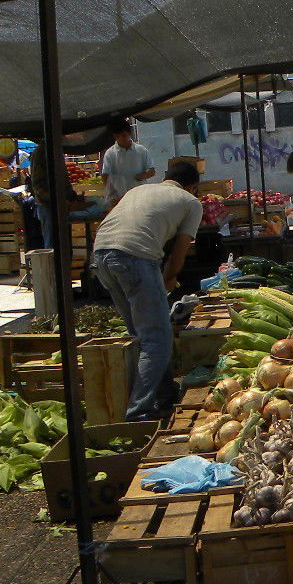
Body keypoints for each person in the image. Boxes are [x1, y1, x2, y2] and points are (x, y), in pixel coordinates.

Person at [91, 159, 204, 420]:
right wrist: (168, 280)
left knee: (145, 336)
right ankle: (138, 411)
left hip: (101, 256)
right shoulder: (190, 202)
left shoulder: (138, 190)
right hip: (135, 258)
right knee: (158, 339)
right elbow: (178, 254)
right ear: (193, 186)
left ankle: (165, 395)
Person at [99, 120, 155, 208]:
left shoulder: (141, 150)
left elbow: (152, 171)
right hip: (120, 199)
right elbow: (105, 175)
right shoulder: (110, 153)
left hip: (140, 196)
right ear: (114, 136)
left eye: (124, 135)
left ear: (130, 133)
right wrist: (111, 192)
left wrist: (143, 175)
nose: (121, 139)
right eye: (118, 136)